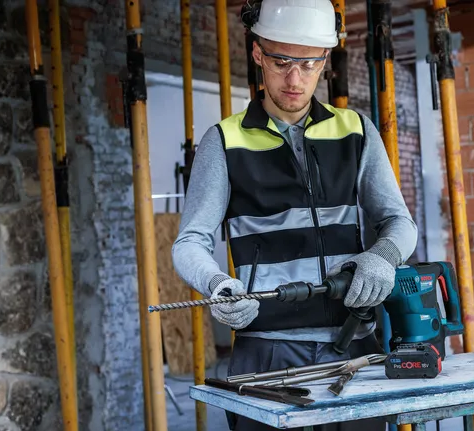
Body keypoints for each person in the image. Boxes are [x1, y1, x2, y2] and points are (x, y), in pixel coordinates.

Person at [172, 0, 418, 429]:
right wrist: (218, 285)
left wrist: (384, 257)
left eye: (308, 63)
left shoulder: (355, 131)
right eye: (281, 60)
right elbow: (190, 241)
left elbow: (399, 222)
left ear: (324, 60)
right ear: (257, 54)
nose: (294, 78)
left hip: (355, 346)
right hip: (266, 352)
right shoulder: (224, 141)